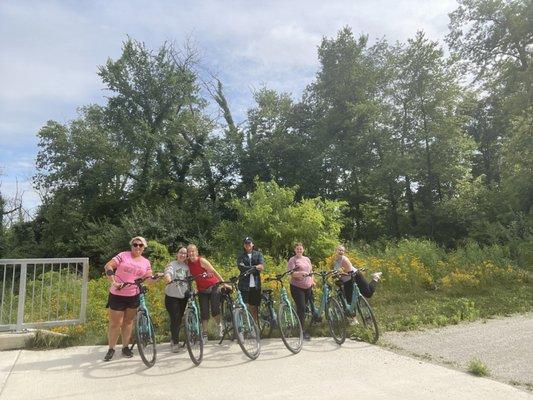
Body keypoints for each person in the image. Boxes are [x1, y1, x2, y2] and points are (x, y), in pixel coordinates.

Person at [103, 236, 159, 361]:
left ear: (144, 247)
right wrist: (113, 282)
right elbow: (108, 266)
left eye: (140, 245)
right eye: (135, 244)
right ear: (131, 246)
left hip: (134, 295)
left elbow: (148, 279)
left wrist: (156, 277)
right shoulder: (123, 255)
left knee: (128, 323)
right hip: (118, 294)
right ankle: (111, 349)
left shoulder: (145, 262)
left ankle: (125, 347)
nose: (137, 247)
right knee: (115, 324)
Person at [187, 244, 226, 343]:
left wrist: (224, 283)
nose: (191, 253)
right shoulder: (188, 263)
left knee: (215, 310)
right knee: (204, 312)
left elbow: (214, 271)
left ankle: (219, 325)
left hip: (213, 286)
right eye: (189, 251)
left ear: (196, 252)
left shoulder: (202, 261)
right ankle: (205, 334)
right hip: (202, 290)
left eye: (193, 251)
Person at [163, 246, 190, 353]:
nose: (183, 255)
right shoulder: (171, 264)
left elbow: (189, 279)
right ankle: (175, 342)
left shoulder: (186, 267)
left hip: (182, 297)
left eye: (185, 253)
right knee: (175, 318)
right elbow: (167, 273)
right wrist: (168, 278)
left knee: (178, 319)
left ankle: (173, 339)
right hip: (171, 297)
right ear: (177, 254)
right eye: (181, 252)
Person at [287, 243, 314, 341]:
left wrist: (312, 281)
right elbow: (291, 273)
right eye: (297, 249)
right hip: (296, 287)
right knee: (301, 307)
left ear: (303, 250)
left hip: (308, 287)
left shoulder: (307, 259)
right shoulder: (292, 260)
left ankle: (300, 324)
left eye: (300, 249)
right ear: (295, 250)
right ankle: (302, 331)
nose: (299, 250)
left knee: (303, 307)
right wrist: (299, 273)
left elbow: (311, 271)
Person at [236, 237, 264, 323]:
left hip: (255, 285)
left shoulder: (258, 254)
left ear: (252, 244)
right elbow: (242, 268)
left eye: (249, 243)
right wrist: (255, 267)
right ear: (244, 245)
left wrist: (251, 268)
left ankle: (255, 326)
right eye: (246, 244)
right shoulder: (241, 256)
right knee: (243, 306)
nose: (248, 245)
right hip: (244, 285)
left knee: (254, 307)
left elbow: (261, 267)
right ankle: (244, 325)